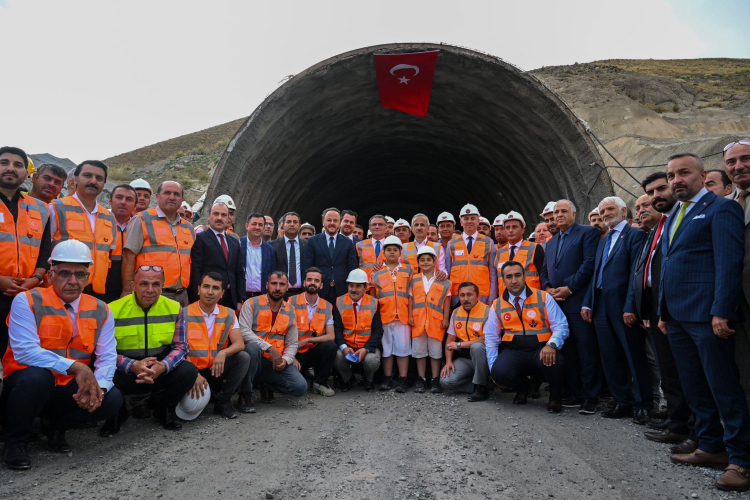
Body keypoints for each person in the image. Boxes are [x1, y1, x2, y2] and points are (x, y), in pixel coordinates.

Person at [660, 153, 750, 492]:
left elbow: (728, 263)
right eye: (671, 175)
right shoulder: (674, 214)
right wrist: (663, 312)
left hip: (706, 316)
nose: (676, 180)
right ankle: (711, 446)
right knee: (695, 385)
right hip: (678, 316)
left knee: (723, 387)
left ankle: (741, 459)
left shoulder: (721, 208)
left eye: (684, 173)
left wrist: (721, 310)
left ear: (702, 175)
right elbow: (668, 265)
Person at [0, 240, 122, 470]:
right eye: (65, 273)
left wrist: (99, 389)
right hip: (26, 383)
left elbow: (107, 356)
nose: (73, 281)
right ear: (51, 274)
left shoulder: (101, 309)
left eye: (80, 274)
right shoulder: (27, 300)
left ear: (88, 276)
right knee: (37, 378)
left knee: (112, 399)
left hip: (67, 388)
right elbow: (25, 351)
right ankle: (15, 441)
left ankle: (56, 426)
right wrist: (76, 367)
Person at [633, 171, 694, 449]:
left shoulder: (676, 223)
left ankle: (693, 428)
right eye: (650, 194)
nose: (655, 197)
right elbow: (646, 273)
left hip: (678, 308)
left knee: (685, 370)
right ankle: (677, 423)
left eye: (660, 190)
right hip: (656, 309)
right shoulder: (655, 232)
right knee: (669, 369)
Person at [104, 265, 198, 433]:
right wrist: (132, 365)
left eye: (156, 284)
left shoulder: (174, 308)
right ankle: (117, 413)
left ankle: (164, 410)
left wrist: (163, 366)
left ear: (162, 287)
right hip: (127, 371)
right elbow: (105, 352)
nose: (150, 290)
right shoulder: (112, 309)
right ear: (133, 286)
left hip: (159, 370)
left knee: (188, 370)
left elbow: (181, 347)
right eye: (144, 284)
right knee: (103, 371)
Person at [582, 196, 650, 424]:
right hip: (600, 304)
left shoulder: (635, 235)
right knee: (609, 355)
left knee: (633, 354)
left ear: (623, 210)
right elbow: (596, 273)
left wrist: (631, 306)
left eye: (610, 209)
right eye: (602, 211)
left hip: (623, 305)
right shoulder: (603, 240)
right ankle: (622, 401)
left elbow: (635, 274)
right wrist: (588, 302)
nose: (606, 214)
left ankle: (643, 404)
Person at [540, 199, 601, 415]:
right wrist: (547, 288)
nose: (559, 215)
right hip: (556, 305)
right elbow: (545, 270)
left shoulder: (587, 233)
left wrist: (569, 288)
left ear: (574, 214)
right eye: (556, 212)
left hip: (577, 302)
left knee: (586, 350)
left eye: (564, 211)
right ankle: (575, 392)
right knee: (568, 352)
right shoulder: (552, 241)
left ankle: (590, 396)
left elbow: (589, 264)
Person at [486, 261, 569, 413]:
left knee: (556, 362)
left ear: (524, 276)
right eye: (509, 277)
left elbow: (561, 326)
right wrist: (493, 369)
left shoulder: (543, 297)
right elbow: (491, 338)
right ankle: (523, 387)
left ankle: (555, 397)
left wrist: (552, 345)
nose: (514, 280)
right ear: (503, 280)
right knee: (499, 372)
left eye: (518, 275)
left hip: (541, 349)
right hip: (514, 351)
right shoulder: (497, 304)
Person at [0, 147, 52, 366]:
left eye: (18, 164)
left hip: (27, 296)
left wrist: (37, 279)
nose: (11, 168)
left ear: (26, 173)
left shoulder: (40, 208)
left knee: (21, 360)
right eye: (4, 162)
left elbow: (45, 250)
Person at [184, 272, 249, 419]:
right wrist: (193, 373)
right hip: (191, 371)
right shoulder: (184, 314)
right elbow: (179, 350)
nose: (210, 292)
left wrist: (223, 353)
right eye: (206, 287)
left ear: (222, 294)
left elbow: (239, 343)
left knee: (243, 357)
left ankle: (222, 402)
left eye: (215, 288)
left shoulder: (229, 314)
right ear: (198, 289)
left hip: (216, 368)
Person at [50, 160, 117, 302]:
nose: (93, 181)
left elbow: (108, 256)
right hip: (61, 290)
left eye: (99, 178)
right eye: (87, 175)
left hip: (96, 292)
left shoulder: (109, 217)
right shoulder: (56, 207)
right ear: (75, 179)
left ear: (104, 184)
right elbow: (43, 249)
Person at [239, 271, 307, 408]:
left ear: (287, 287)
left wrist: (286, 360)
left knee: (300, 387)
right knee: (252, 348)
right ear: (267, 285)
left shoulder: (290, 310)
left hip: (275, 362)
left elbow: (292, 342)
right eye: (274, 283)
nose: (277, 288)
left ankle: (264, 383)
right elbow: (243, 331)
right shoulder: (251, 303)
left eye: (282, 284)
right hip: (254, 359)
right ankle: (245, 393)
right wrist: (269, 348)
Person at [122, 181, 196, 307]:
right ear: (157, 196)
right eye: (167, 193)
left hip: (182, 295)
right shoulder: (141, 220)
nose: (172, 197)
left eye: (176, 194)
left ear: (182, 199)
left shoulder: (188, 228)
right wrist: (127, 290)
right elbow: (129, 257)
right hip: (151, 294)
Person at [725, 140, 750, 405]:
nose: (738, 166)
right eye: (731, 162)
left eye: (745, 158)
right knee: (742, 371)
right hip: (733, 304)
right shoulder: (727, 205)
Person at [371, 236, 412, 393]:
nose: (392, 252)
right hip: (384, 316)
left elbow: (412, 294)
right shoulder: (376, 272)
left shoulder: (408, 269)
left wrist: (410, 315)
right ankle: (387, 379)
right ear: (383, 252)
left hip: (402, 316)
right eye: (389, 250)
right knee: (387, 350)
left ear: (401, 251)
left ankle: (403, 379)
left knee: (403, 349)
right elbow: (373, 296)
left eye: (395, 249)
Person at [332, 269, 383, 391]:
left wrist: (366, 349)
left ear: (365, 288)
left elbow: (378, 331)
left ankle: (368, 379)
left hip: (367, 347)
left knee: (371, 361)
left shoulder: (374, 303)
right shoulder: (339, 302)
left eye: (358, 286)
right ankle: (348, 379)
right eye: (351, 285)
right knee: (336, 355)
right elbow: (337, 329)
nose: (354, 289)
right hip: (347, 345)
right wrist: (344, 347)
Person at [409, 246, 451, 394]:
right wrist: (409, 316)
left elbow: (446, 300)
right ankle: (421, 379)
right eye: (422, 260)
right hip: (418, 321)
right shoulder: (413, 279)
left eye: (429, 259)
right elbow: (411, 298)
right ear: (418, 263)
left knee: (435, 352)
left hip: (436, 322)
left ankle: (435, 379)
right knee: (419, 352)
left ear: (434, 262)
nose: (425, 262)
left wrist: (446, 319)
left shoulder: (444, 280)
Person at [290, 267, 337, 397]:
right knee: (296, 386)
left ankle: (320, 383)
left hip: (314, 350)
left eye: (316, 281)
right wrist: (291, 356)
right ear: (304, 282)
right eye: (309, 279)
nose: (312, 283)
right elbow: (283, 332)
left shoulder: (327, 306)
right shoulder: (290, 302)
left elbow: (331, 336)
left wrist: (308, 340)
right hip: (295, 352)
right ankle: (302, 374)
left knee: (330, 346)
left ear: (321, 285)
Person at [188, 202, 245, 309]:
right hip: (208, 298)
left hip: (230, 299)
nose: (219, 218)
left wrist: (240, 299)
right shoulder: (200, 238)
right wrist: (197, 298)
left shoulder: (234, 242)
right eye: (216, 214)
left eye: (223, 215)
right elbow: (195, 271)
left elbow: (239, 272)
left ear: (228, 218)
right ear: (209, 216)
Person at [440, 282, 490, 401]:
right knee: (445, 381)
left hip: (485, 358)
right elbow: (450, 340)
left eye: (469, 295)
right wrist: (448, 362)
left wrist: (459, 345)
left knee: (477, 347)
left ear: (477, 296)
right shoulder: (456, 312)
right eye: (462, 295)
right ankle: (478, 383)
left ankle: (482, 388)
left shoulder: (488, 311)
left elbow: (485, 339)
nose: (466, 299)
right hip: (466, 359)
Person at [301, 207, 358, 305]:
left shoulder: (348, 243)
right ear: (323, 222)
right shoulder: (313, 241)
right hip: (319, 290)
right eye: (329, 220)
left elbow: (352, 269)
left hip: (342, 291)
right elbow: (307, 267)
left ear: (340, 223)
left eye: (335, 220)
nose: (332, 223)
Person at [446, 204, 497, 306]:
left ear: (478, 221)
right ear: (461, 222)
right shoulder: (451, 243)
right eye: (466, 218)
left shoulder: (488, 242)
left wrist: (492, 297)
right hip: (457, 298)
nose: (469, 221)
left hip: (481, 297)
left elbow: (493, 273)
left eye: (473, 218)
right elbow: (447, 271)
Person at [493, 211, 544, 298]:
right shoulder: (500, 252)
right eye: (507, 227)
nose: (511, 230)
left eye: (514, 227)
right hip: (506, 302)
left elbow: (543, 276)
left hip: (531, 300)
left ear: (523, 229)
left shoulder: (535, 249)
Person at [105, 185, 137, 303]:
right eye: (119, 197)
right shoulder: (99, 223)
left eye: (129, 199)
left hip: (131, 288)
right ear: (110, 201)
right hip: (102, 288)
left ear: (135, 205)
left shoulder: (141, 226)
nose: (123, 202)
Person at [270, 212, 307, 298]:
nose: (292, 224)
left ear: (300, 226)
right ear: (283, 225)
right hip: (279, 294)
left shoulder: (307, 245)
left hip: (301, 294)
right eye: (289, 222)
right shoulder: (273, 245)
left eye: (295, 222)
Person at [240, 213, 277, 300]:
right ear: (247, 226)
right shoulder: (237, 244)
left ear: (263, 227)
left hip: (262, 297)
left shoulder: (270, 250)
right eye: (254, 224)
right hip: (242, 297)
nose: (257, 227)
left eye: (260, 225)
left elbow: (272, 275)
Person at [355, 214, 389, 285]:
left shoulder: (392, 245)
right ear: (369, 228)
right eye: (374, 224)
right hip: (365, 285)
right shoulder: (359, 245)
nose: (377, 226)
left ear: (386, 228)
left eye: (380, 224)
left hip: (385, 285)